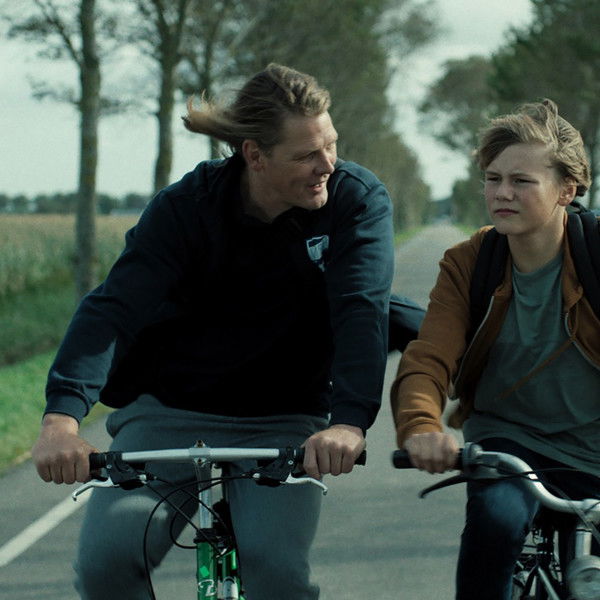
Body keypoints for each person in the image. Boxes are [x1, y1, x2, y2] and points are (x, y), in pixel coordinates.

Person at [32, 63, 394, 599]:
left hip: (283, 418)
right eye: (306, 155)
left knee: (276, 572)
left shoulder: (354, 200)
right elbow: (112, 310)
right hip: (170, 411)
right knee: (106, 563)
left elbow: (361, 310)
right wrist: (61, 420)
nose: (327, 165)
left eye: (331, 145)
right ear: (254, 155)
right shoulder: (186, 208)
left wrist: (348, 422)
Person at [390, 99, 600, 600]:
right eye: (493, 178)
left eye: (521, 181)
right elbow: (428, 357)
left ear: (566, 190)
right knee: (496, 522)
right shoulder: (470, 263)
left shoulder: (595, 254)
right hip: (510, 445)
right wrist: (422, 427)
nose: (502, 192)